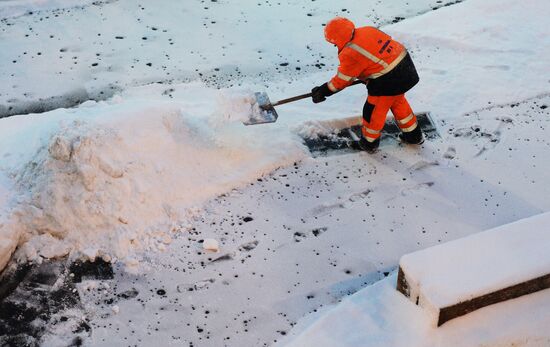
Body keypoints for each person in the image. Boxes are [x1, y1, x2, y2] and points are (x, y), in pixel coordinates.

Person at [311, 17, 423, 152]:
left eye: (334, 43)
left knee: (373, 112)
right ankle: (413, 135)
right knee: (397, 102)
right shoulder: (367, 30)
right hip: (405, 66)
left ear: (338, 39)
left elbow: (343, 80)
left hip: (388, 80)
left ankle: (369, 144)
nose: (334, 45)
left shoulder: (350, 52)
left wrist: (324, 90)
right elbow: (377, 52)